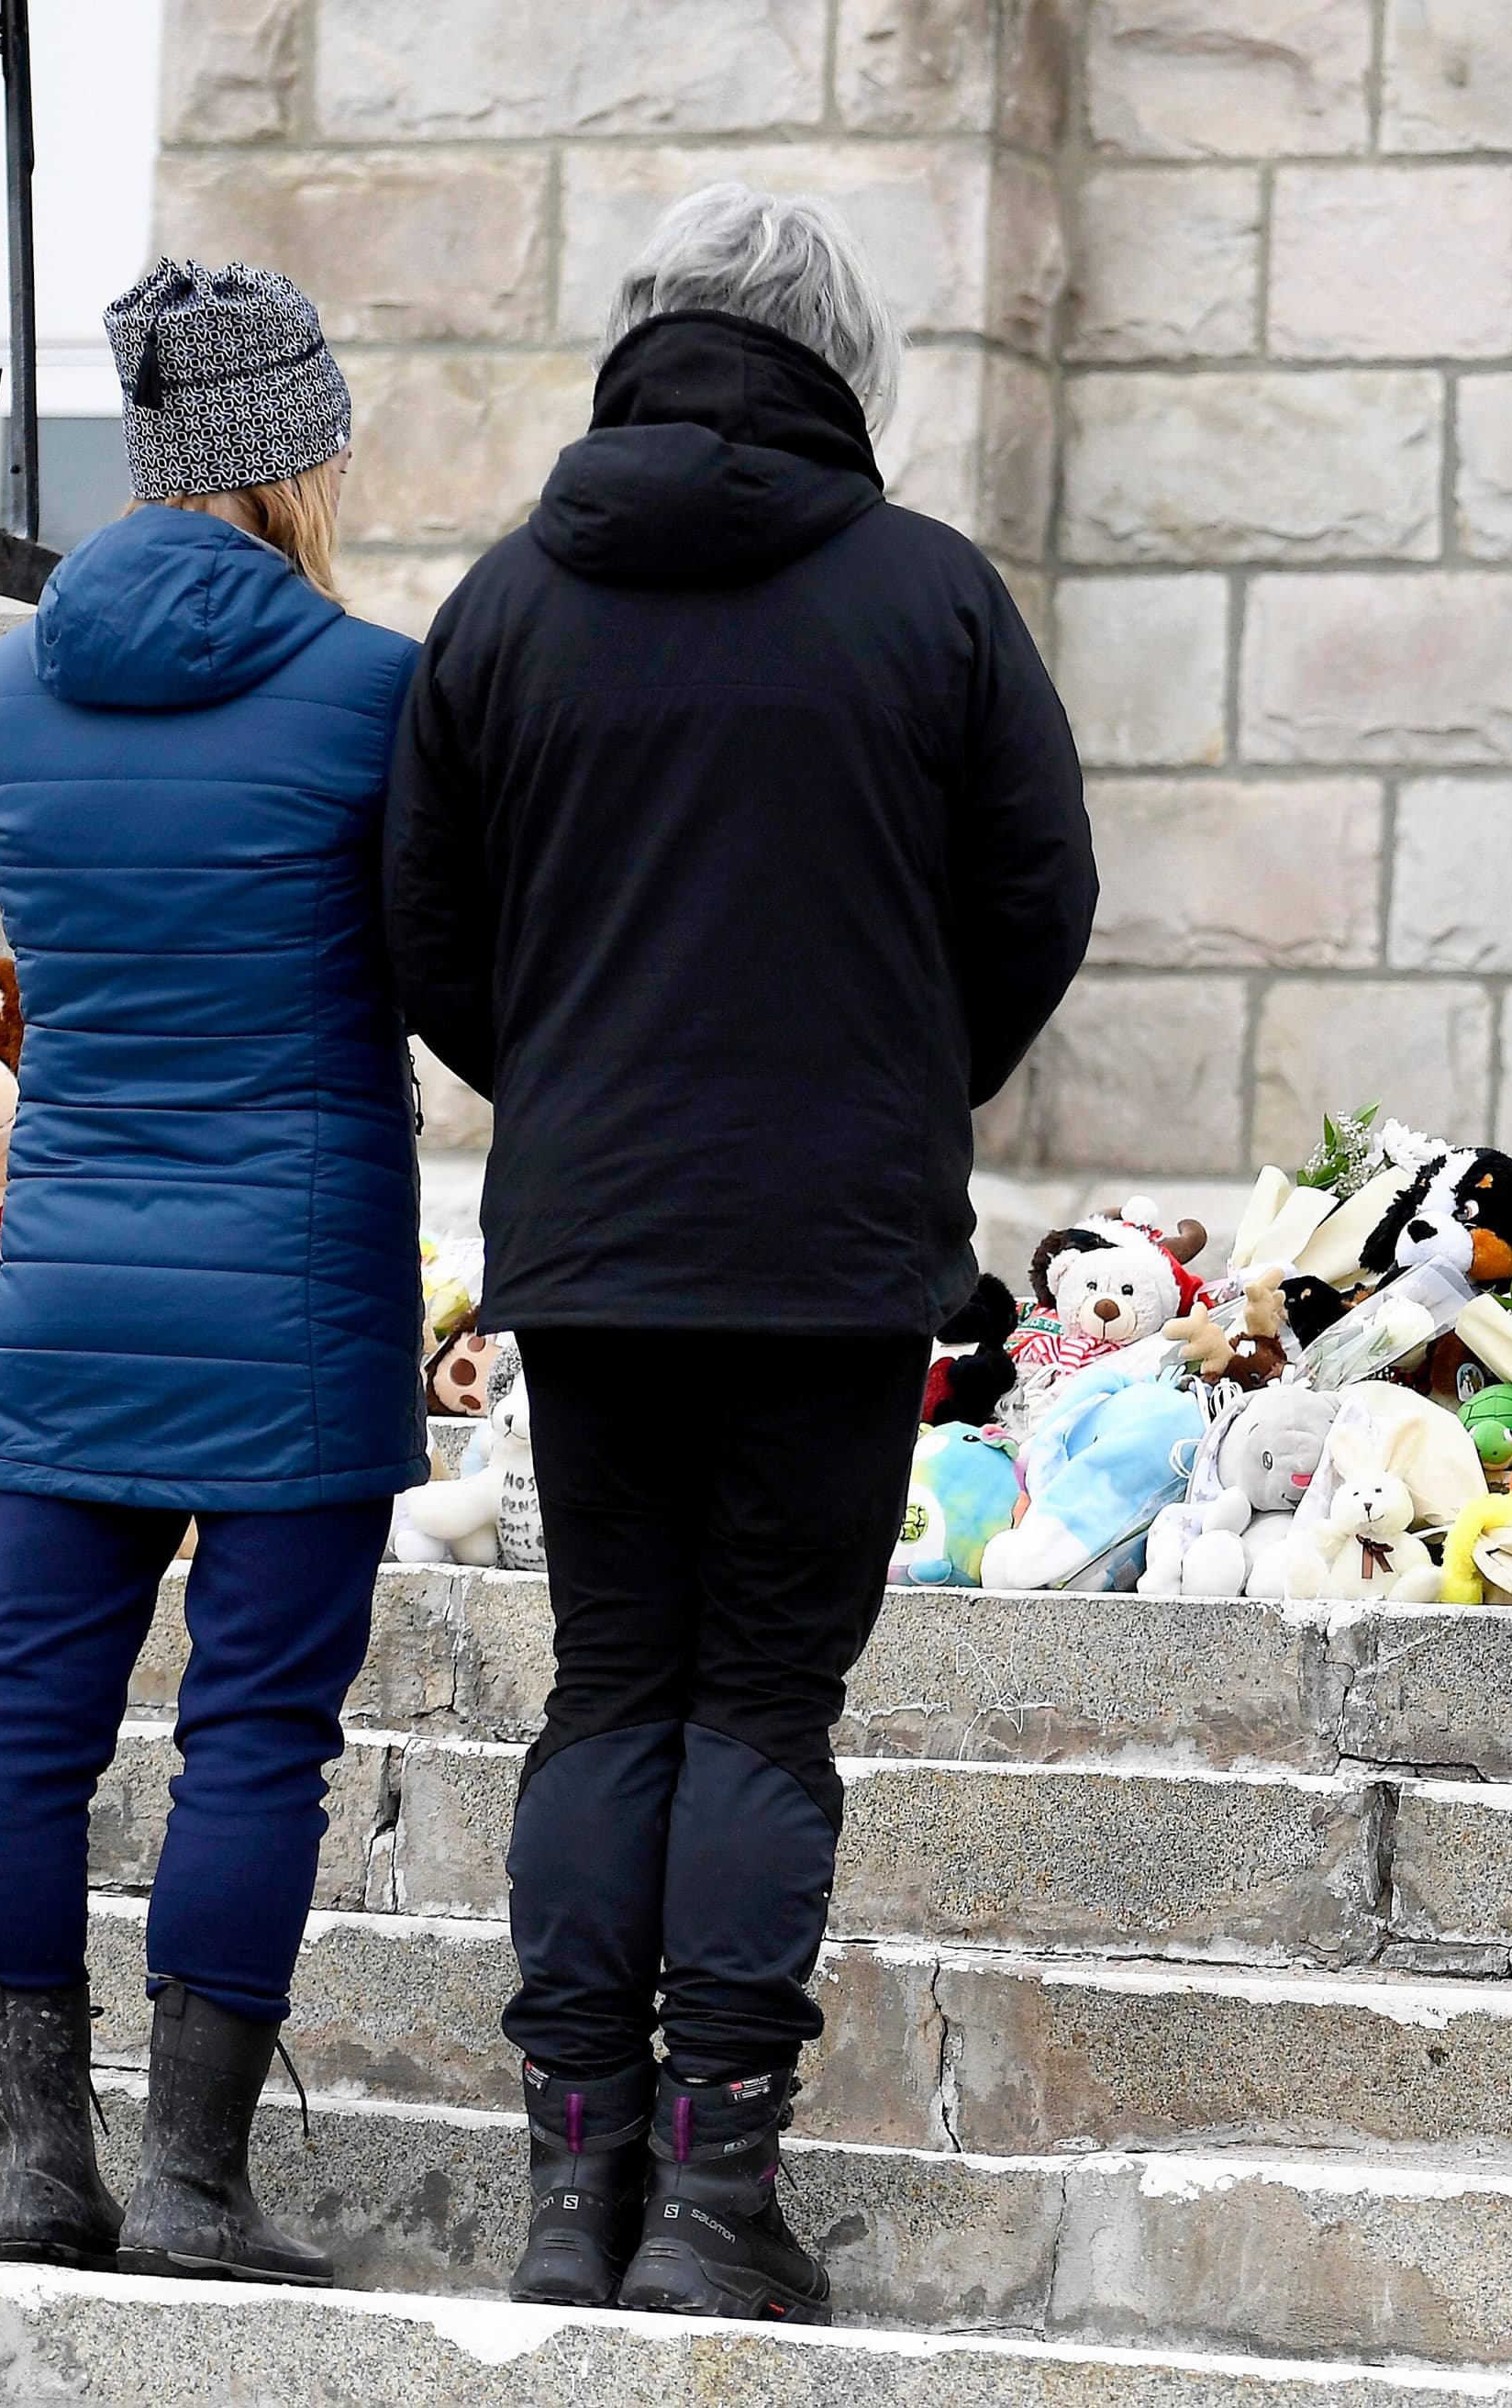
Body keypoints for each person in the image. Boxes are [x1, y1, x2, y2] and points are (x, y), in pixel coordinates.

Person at [384, 184, 1093, 2323]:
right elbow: (1037, 899)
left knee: (616, 1681)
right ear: (842, 360)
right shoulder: (933, 599)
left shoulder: (505, 606)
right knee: (763, 1697)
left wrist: (579, 1083)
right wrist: (896, 1072)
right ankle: (712, 2195)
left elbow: (427, 933)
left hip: (594, 1236)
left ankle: (565, 2195)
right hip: (832, 1239)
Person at [0, 261, 424, 2286]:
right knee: (256, 1728)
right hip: (294, 1284)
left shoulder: (8, 688)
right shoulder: (373, 685)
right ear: (289, 453)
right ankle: (198, 2191)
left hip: (71, 1271)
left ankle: (35, 2173)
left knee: (30, 1713)